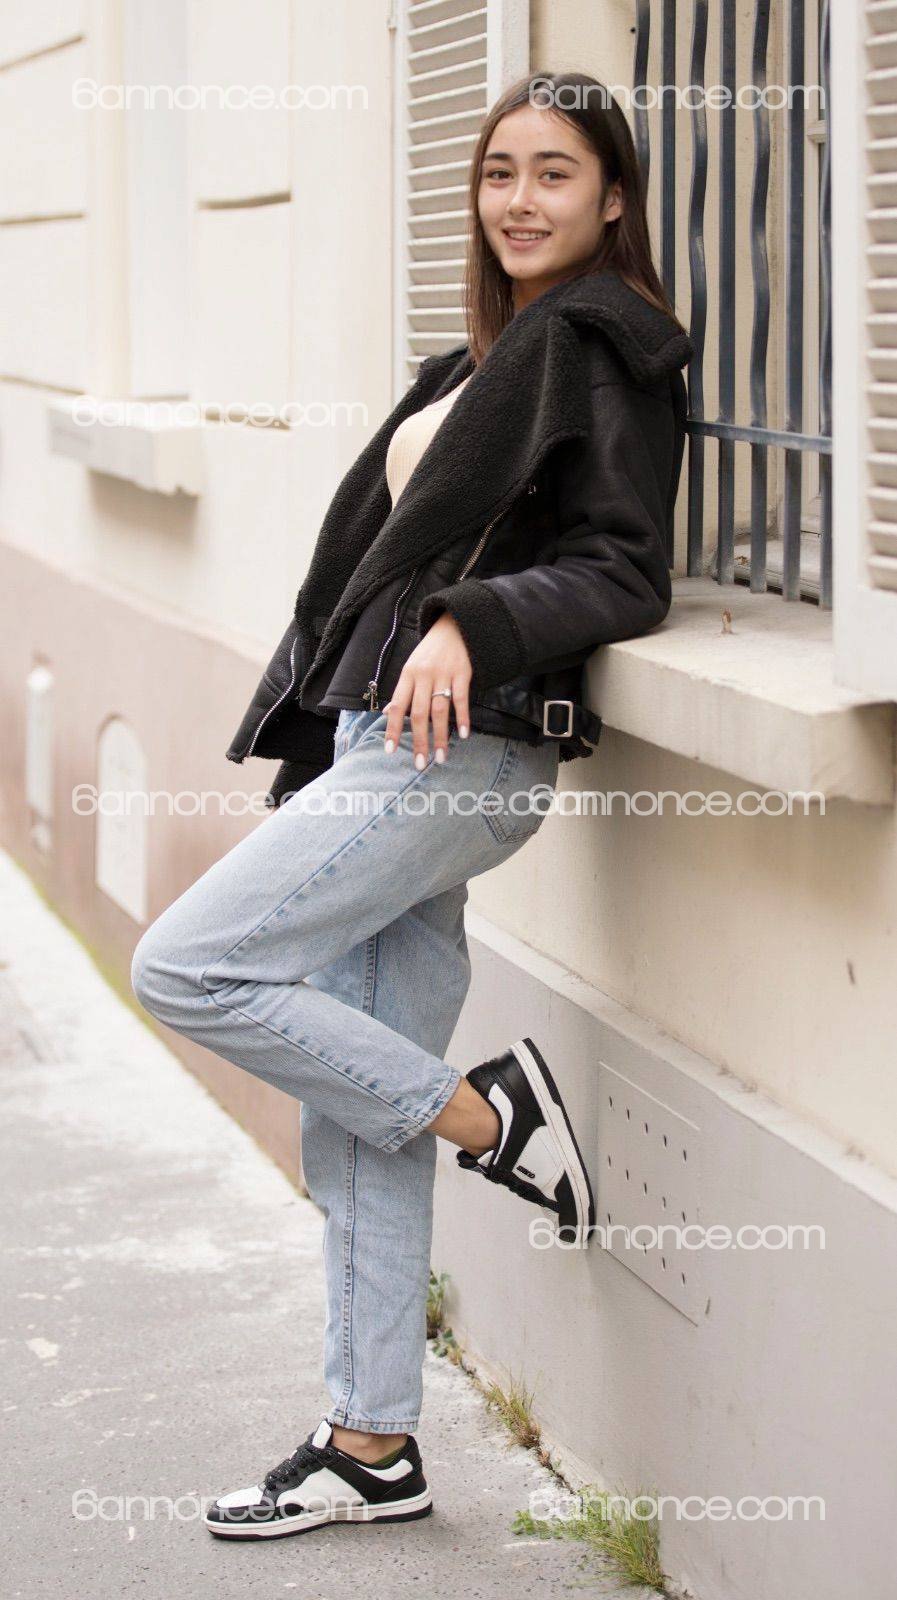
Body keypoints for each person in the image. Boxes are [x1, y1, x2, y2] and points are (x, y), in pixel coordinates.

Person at [130, 69, 693, 1542]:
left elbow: (625, 568)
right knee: (354, 1117)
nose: (521, 198)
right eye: (500, 171)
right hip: (381, 744)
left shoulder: (606, 345)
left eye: (556, 173)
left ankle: (490, 1115)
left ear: (613, 198)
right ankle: (372, 1442)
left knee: (185, 965)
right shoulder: (473, 363)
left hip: (463, 756)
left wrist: (468, 622)